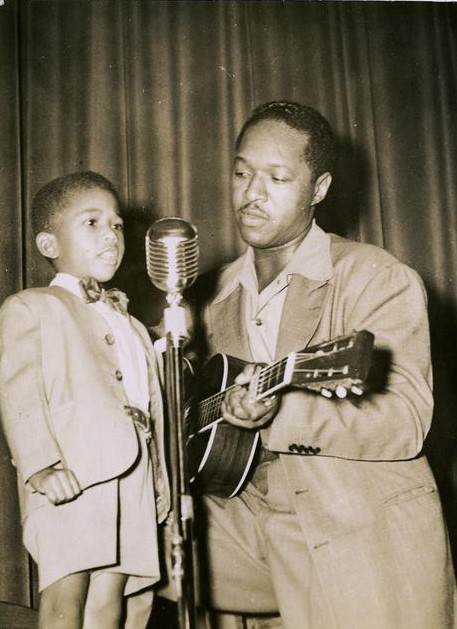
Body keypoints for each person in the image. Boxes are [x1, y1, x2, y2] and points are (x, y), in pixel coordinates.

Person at [187, 102, 457, 628]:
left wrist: (276, 417)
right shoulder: (211, 295)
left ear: (319, 189)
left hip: (356, 524)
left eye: (277, 177)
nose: (252, 193)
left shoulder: (374, 277)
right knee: (112, 532)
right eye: (242, 172)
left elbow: (403, 422)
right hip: (252, 527)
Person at [0, 171, 169, 628]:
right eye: (91, 222)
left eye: (116, 225)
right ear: (49, 244)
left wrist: (159, 483)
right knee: (66, 594)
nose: (111, 236)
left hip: (131, 478)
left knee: (111, 600)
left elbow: (148, 403)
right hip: (72, 472)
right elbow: (19, 393)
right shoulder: (32, 307)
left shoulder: (134, 327)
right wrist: (41, 465)